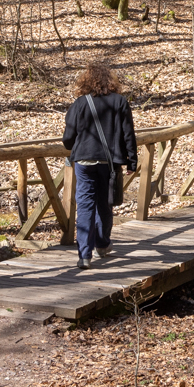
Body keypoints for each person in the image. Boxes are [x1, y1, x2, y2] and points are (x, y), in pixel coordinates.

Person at [62, 62, 138, 269]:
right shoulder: (120, 102)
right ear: (110, 82)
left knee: (85, 205)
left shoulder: (79, 103)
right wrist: (132, 160)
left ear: (85, 81)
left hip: (84, 161)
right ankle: (102, 245)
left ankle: (84, 255)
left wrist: (76, 146)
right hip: (109, 162)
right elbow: (128, 134)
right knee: (105, 203)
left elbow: (68, 137)